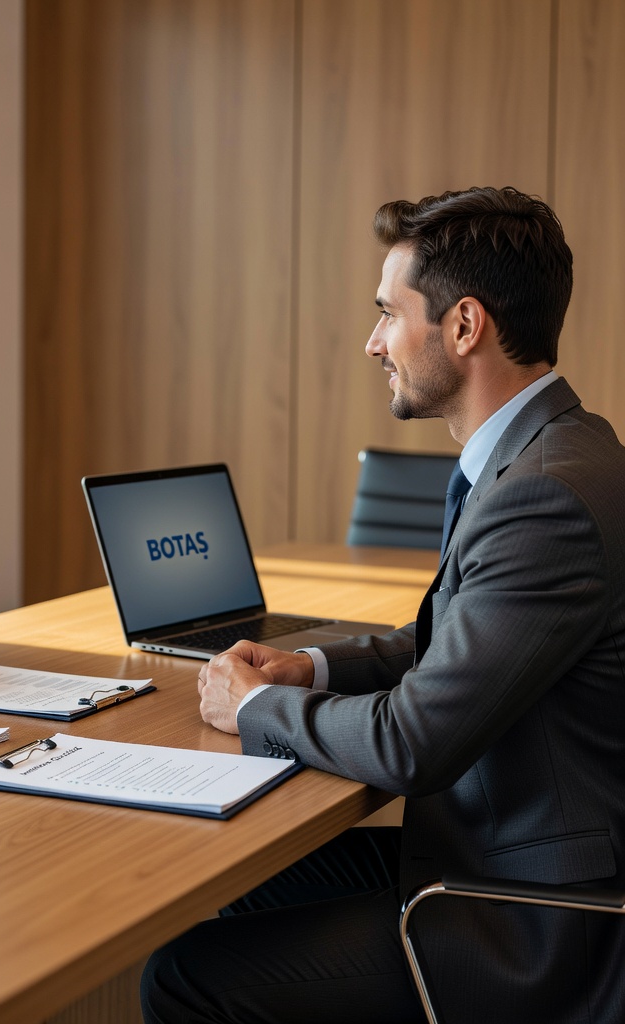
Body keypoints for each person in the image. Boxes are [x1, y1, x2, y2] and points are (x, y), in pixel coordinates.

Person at [141, 187, 625, 1023]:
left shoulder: (542, 494)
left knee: (185, 977)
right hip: (492, 847)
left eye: (387, 315)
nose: (372, 343)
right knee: (242, 882)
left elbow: (412, 746)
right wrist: (314, 666)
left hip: (534, 920)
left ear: (464, 326)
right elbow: (453, 641)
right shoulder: (553, 448)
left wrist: (260, 703)